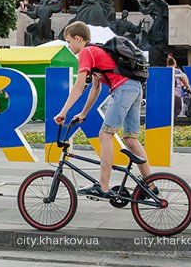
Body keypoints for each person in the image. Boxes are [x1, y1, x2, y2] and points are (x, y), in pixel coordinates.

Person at [54, 22, 151, 199]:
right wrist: (83, 113)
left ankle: (104, 187)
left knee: (105, 135)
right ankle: (151, 184)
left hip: (123, 89)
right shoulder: (96, 51)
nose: (68, 46)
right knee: (130, 138)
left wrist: (63, 112)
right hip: (135, 88)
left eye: (68, 41)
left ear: (78, 38)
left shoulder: (86, 52)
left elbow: (79, 85)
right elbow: (95, 88)